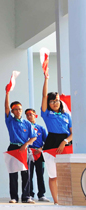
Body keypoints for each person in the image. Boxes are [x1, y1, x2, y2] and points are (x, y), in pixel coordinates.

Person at [40, 73, 72, 205]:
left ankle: (68, 199)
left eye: (57, 100)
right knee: (53, 176)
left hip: (65, 145)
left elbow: (73, 133)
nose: (55, 103)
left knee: (67, 175)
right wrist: (46, 78)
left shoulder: (66, 115)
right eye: (52, 101)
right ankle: (56, 202)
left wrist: (65, 142)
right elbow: (44, 96)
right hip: (50, 146)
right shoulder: (47, 114)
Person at [5, 91, 37, 203]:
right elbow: (6, 108)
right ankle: (14, 197)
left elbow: (34, 137)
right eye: (16, 109)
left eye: (20, 109)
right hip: (13, 148)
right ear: (12, 111)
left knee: (26, 174)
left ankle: (26, 196)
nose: (18, 111)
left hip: (24, 149)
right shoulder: (10, 121)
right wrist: (7, 93)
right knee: (13, 173)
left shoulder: (27, 123)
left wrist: (26, 145)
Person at [24, 109, 50, 202]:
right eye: (27, 115)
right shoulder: (25, 127)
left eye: (31, 114)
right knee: (28, 175)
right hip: (29, 153)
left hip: (39, 154)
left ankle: (41, 194)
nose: (29, 116)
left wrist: (41, 149)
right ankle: (29, 194)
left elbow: (47, 141)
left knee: (40, 174)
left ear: (35, 115)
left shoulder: (41, 128)